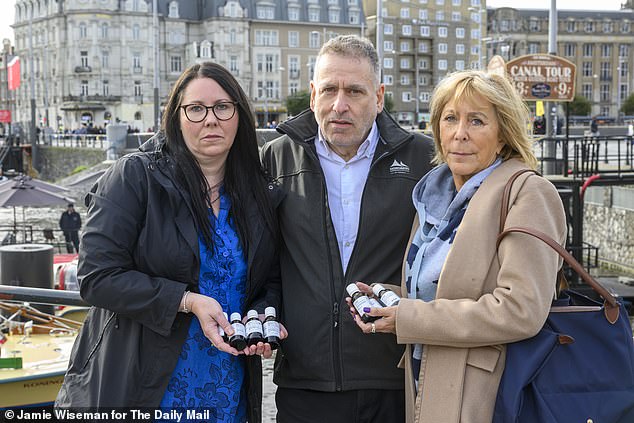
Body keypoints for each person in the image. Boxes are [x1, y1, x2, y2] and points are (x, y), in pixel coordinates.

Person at [56, 62, 285, 423]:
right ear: (176, 117)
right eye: (196, 109)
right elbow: (95, 277)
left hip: (227, 389)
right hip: (144, 386)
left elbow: (267, 281)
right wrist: (185, 300)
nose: (211, 120)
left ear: (239, 115)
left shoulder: (258, 193)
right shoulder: (136, 176)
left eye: (223, 107)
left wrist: (262, 316)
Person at [348, 70, 567, 422]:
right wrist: (388, 300)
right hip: (426, 383)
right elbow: (441, 291)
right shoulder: (433, 198)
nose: (460, 133)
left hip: (486, 396)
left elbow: (521, 310)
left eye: (477, 121)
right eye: (450, 118)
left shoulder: (527, 194)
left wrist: (408, 317)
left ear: (502, 136)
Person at [260, 34, 434, 422]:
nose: (340, 105)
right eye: (329, 90)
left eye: (355, 91)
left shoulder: (424, 160)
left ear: (379, 97)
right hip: (305, 381)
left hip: (391, 377)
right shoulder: (275, 158)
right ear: (312, 95)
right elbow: (258, 258)